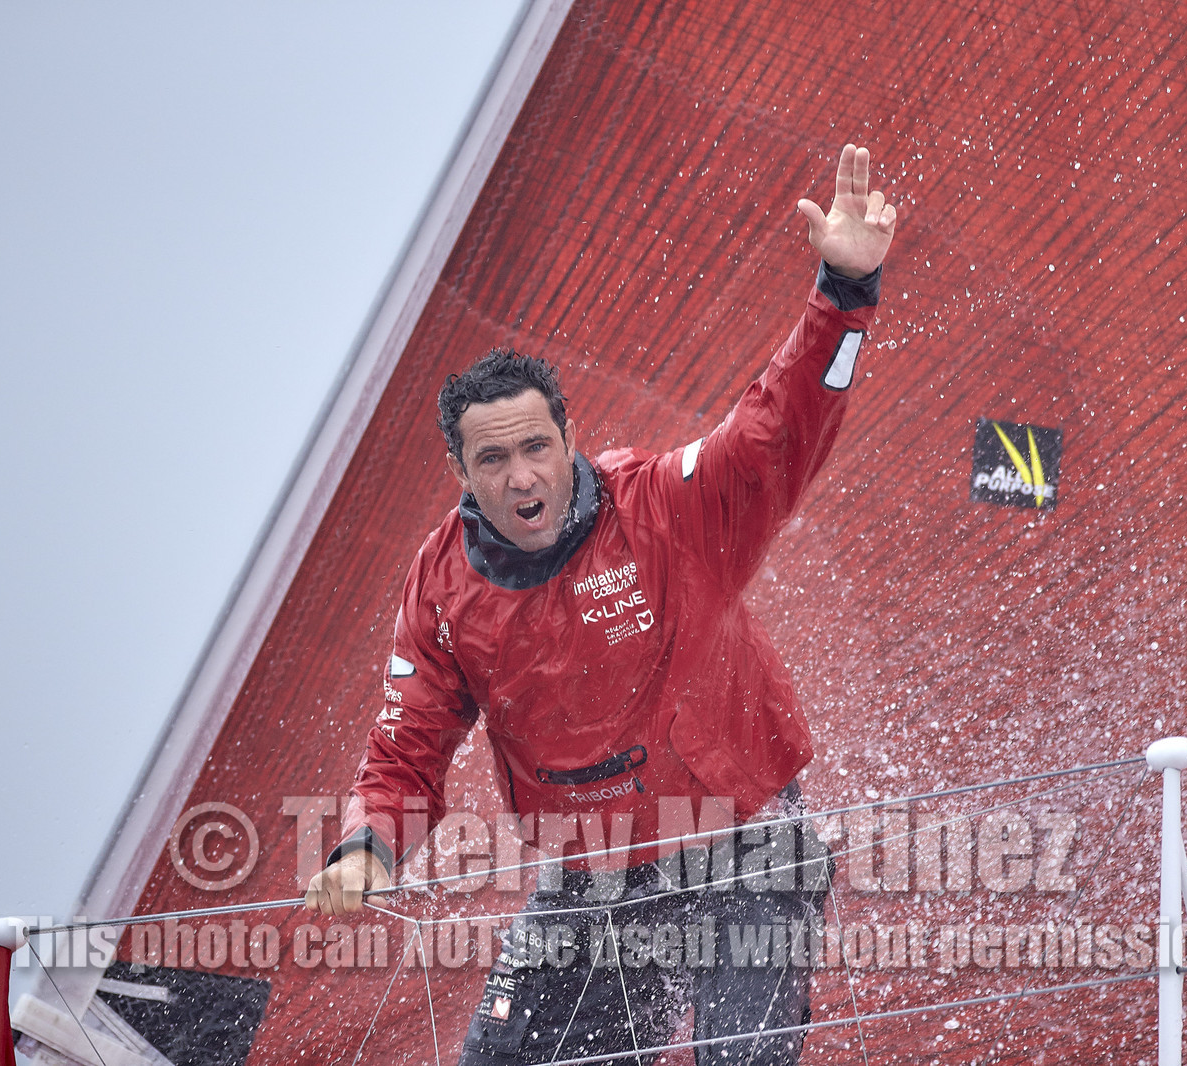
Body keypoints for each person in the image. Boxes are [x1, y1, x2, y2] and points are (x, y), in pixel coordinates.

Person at [306, 142, 897, 1065]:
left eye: (536, 447)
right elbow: (405, 755)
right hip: (591, 879)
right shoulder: (442, 586)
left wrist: (844, 293)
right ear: (459, 472)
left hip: (743, 852)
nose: (522, 477)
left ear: (569, 437)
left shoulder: (664, 507)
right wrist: (367, 849)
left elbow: (776, 427)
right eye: (493, 460)